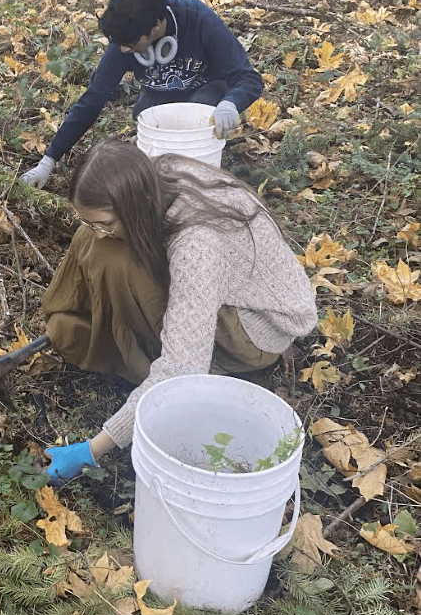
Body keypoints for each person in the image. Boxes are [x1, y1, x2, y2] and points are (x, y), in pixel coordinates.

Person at [42, 139, 318, 483]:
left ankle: (142, 364)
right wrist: (97, 231)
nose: (100, 230)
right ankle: (95, 326)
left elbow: (183, 367)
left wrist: (92, 449)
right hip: (219, 292)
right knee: (97, 243)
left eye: (107, 222)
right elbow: (100, 230)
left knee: (119, 261)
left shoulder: (197, 245)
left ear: (134, 204)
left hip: (255, 329)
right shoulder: (157, 177)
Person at [21, 0, 263, 189]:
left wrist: (231, 104)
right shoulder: (124, 39)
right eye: (120, 44)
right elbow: (93, 99)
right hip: (160, 98)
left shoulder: (199, 20)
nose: (124, 49)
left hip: (207, 94)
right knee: (144, 117)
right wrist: (48, 160)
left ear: (156, 26)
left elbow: (248, 77)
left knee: (199, 110)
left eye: (131, 43)